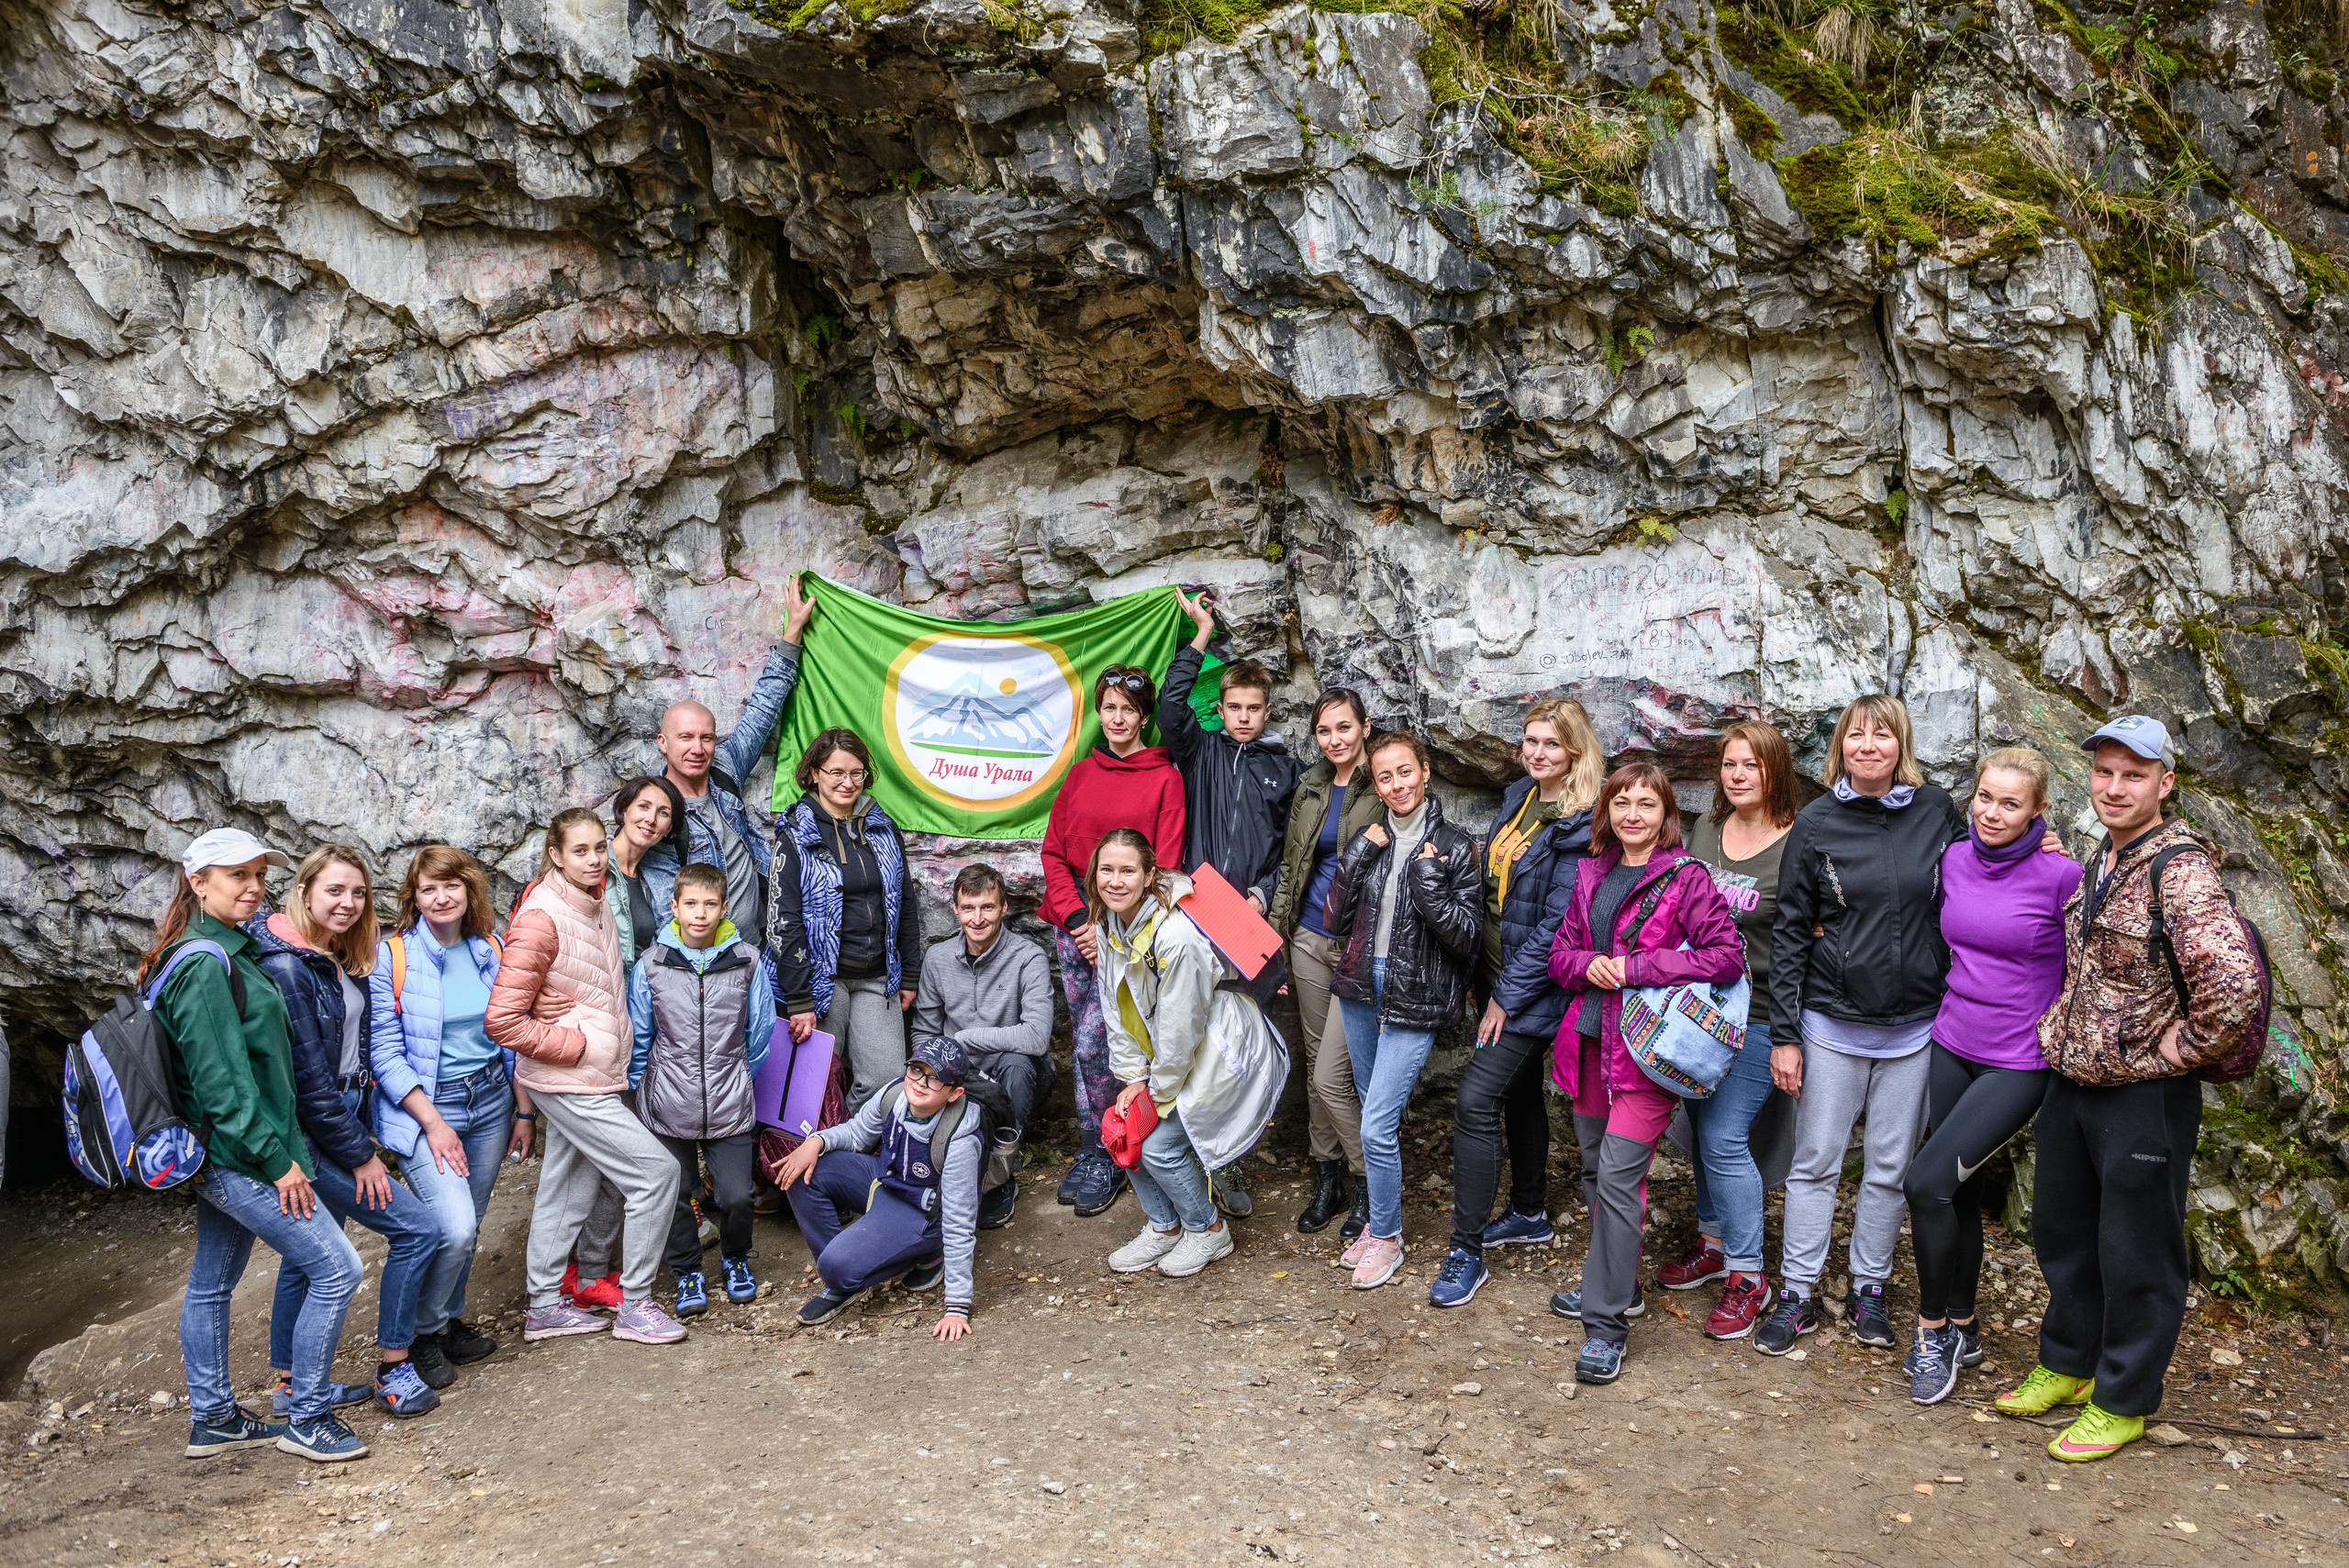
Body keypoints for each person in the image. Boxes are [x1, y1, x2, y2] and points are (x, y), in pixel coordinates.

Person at [1999, 717, 2263, 1462]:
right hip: (2077, 1081)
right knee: (2063, 1230)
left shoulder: (2180, 870)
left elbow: (2233, 984)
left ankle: (2123, 1399)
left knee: (2137, 1250)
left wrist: (2178, 1047)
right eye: (2105, 772)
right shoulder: (2104, 855)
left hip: (2144, 1094)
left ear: (2165, 782)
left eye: (2133, 775)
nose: (2114, 787)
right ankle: (2069, 1362)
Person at [155, 828, 369, 1464]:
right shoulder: (201, 963)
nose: (253, 888)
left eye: (257, 875)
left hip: (235, 1149)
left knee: (212, 1281)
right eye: (236, 876)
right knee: (338, 1268)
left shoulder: (231, 949)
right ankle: (306, 1416)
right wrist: (281, 1162)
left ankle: (214, 1416)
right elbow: (224, 1084)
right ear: (198, 883)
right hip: (241, 1155)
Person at [1543, 764, 1746, 1385]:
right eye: (1623, 802)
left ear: (1666, 815)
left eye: (1647, 803)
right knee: (1594, 1168)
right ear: (1608, 809)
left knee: (1619, 1178)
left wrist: (1634, 967)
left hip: (1646, 1054)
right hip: (1588, 1042)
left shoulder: (1687, 878)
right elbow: (1560, 956)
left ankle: (1606, 1327)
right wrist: (1589, 964)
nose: (1634, 814)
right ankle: (1619, 1283)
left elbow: (1726, 955)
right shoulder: (1591, 871)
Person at [1901, 748, 2081, 1404]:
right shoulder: (1954, 858)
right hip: (1951, 1041)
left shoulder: (2064, 876)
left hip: (2018, 1060)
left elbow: (2091, 971)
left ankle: (1932, 1330)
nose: (1993, 812)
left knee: (1924, 1183)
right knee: (1959, 1192)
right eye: (1985, 797)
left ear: (2038, 809)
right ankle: (1967, 1324)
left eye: (2011, 802)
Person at [245, 846, 445, 1420]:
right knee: (418, 1229)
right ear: (304, 891)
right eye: (335, 891)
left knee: (305, 1258)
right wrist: (362, 1157)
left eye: (358, 893)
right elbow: (308, 1082)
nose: (349, 904)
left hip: (343, 1112)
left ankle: (290, 1384)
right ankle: (393, 1367)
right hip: (317, 1129)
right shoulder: (287, 966)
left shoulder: (325, 955)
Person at [492, 808, 687, 1347]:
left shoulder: (595, 898)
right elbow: (503, 1019)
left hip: (594, 1073)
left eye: (600, 847)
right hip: (568, 1077)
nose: (594, 858)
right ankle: (638, 1305)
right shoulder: (541, 915)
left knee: (568, 1186)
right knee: (656, 1174)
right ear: (555, 854)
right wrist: (573, 1042)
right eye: (580, 850)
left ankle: (544, 1306)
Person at [1433, 698, 1605, 1307]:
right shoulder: (1522, 797)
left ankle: (1466, 1248)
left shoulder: (1583, 823)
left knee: (1477, 1098)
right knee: (1521, 1091)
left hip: (1539, 987)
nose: (1537, 752)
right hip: (1501, 972)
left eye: (1551, 744)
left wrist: (1505, 995)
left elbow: (1559, 926)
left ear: (1576, 752)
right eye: (1530, 741)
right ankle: (1530, 1210)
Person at [1156, 593, 1303, 1221]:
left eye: (1253, 709)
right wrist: (1202, 635)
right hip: (1195, 914)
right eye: (1234, 708)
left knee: (1236, 1050)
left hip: (1247, 922)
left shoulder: (1283, 767)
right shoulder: (1200, 750)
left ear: (1267, 712)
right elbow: (1166, 708)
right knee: (1191, 1039)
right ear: (1220, 710)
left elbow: (1289, 848)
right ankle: (1187, 1163)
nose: (1243, 717)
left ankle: (1228, 1160)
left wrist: (1264, 894)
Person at [1322, 731, 1482, 1290]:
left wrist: (1430, 884)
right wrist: (1360, 855)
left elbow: (1467, 939)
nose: (1397, 786)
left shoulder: (1457, 846)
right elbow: (1333, 921)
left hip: (1418, 991)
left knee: (1377, 1120)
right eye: (1385, 777)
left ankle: (1386, 1237)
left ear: (1426, 771)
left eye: (1405, 772)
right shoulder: (1370, 838)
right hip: (1363, 985)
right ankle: (1380, 1225)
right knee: (1372, 1112)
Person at [1092, 828, 1289, 1280]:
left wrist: (1156, 1092)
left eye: (1127, 871)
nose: (1116, 881)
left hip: (1220, 1047)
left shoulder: (1176, 935)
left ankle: (1208, 1229)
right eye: (1107, 870)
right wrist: (1132, 1079)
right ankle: (1164, 1227)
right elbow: (1114, 1003)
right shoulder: (1108, 919)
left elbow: (1183, 1026)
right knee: (1124, 1130)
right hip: (1170, 1049)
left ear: (1149, 875)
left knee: (1158, 1147)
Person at [1658, 721, 1798, 1341]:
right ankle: (1712, 1242)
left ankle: (1749, 1273)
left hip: (1762, 1010)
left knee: (1722, 1134)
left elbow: (1803, 940)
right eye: (1730, 764)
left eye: (1752, 765)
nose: (1738, 775)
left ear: (1775, 773)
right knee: (1695, 1123)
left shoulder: (1798, 841)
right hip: (1701, 1009)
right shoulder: (1709, 830)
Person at [369, 845, 529, 1389]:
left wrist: (523, 1111)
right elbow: (384, 1054)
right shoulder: (393, 957)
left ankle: (447, 1319)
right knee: (454, 1226)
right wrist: (433, 1123)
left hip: (489, 1102)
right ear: (414, 898)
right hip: (425, 1110)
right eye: (428, 888)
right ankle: (420, 1335)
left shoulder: (490, 948)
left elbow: (510, 1035)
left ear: (469, 892)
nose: (441, 897)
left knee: (471, 1220)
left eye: (451, 886)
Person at [1038, 664, 1185, 1218]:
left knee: (1133, 1038)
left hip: (1134, 925)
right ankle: (1095, 1148)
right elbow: (1053, 853)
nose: (1117, 719)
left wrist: (1120, 933)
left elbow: (1166, 864)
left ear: (1144, 717)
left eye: (1127, 710)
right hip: (1079, 921)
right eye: (1109, 709)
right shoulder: (1079, 775)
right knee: (1089, 1041)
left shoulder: (1165, 778)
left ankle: (1136, 1142)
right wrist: (1081, 922)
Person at [626, 862, 777, 1317]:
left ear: (724, 907)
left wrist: (734, 1072)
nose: (700, 913)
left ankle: (734, 1258)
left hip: (729, 1101)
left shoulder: (747, 961)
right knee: (673, 1192)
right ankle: (687, 1268)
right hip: (667, 1100)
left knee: (736, 1195)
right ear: (674, 907)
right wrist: (638, 1089)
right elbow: (640, 1033)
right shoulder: (652, 965)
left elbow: (760, 1029)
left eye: (710, 904)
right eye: (690, 903)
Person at [567, 775, 690, 1312]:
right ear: (623, 809)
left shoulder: (661, 873)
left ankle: (591, 1266)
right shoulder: (590, 870)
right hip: (595, 1033)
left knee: (626, 1154)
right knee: (600, 1159)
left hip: (646, 1030)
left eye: (664, 813)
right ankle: (584, 1270)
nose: (653, 819)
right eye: (644, 806)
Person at [640, 573, 818, 938]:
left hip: (764, 942)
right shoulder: (657, 813)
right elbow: (663, 903)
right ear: (663, 742)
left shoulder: (724, 765)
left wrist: (793, 632)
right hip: (708, 958)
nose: (698, 748)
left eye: (707, 737)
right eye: (685, 737)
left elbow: (763, 710)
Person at [1267, 688, 1383, 1240]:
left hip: (1360, 944)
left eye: (1344, 728)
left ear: (1364, 727)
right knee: (1316, 1063)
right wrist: (1281, 931)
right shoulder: (1312, 783)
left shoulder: (1381, 781)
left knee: (1341, 1069)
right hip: (1309, 937)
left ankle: (1368, 1183)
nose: (1334, 740)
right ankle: (1327, 1175)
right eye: (1324, 731)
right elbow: (1293, 863)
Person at [776, 1038, 985, 1340]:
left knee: (836, 1266)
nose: (921, 1083)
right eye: (916, 1070)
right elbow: (857, 1132)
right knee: (802, 1170)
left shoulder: (959, 1139)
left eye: (935, 1078)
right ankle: (850, 1266)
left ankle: (923, 1256)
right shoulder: (896, 1093)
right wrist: (816, 1141)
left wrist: (957, 1307)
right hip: (887, 1184)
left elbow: (959, 1221)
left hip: (924, 1212)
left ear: (955, 1093)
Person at [770, 728, 924, 1114]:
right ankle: (807, 1159)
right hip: (822, 980)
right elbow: (782, 921)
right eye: (836, 772)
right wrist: (798, 999)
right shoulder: (794, 835)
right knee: (813, 1081)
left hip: (876, 976)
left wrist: (909, 975)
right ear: (814, 773)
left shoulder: (883, 829)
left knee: (886, 1083)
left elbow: (904, 901)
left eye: (856, 773)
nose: (847, 782)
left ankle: (848, 1143)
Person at [911, 863, 1056, 1230]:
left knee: (1018, 1062)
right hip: (962, 1078)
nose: (978, 918)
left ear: (1003, 906)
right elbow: (925, 1032)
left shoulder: (1029, 957)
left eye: (987, 907)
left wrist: (964, 1039)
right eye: (969, 908)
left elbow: (1037, 1037)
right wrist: (930, 1076)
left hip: (1017, 1077)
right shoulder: (938, 959)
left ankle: (1001, 1171)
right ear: (956, 910)